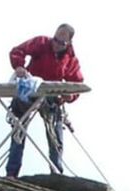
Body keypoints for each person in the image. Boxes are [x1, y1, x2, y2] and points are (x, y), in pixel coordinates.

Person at [5, 24, 84, 178]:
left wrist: (70, 96)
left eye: (61, 43)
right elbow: (17, 51)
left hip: (52, 95)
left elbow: (77, 83)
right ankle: (12, 172)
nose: (56, 44)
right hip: (30, 89)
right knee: (19, 127)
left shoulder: (70, 59)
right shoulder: (41, 43)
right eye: (55, 39)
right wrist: (19, 66)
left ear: (68, 44)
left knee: (55, 130)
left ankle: (56, 172)